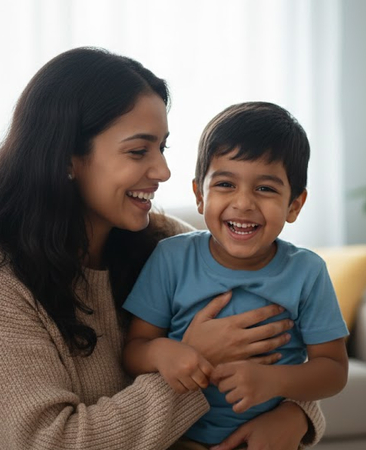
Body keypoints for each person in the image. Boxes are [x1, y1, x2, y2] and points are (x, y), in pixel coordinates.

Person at [0, 47, 325, 450]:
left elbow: (281, 344)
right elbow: (52, 442)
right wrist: (195, 363)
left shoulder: (167, 243)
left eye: (162, 148)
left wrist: (296, 414)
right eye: (138, 151)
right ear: (67, 158)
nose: (163, 171)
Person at [122, 102, 350, 449]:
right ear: (200, 195)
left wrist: (274, 381)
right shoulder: (170, 258)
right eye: (226, 184)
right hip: (178, 440)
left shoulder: (307, 272)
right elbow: (134, 350)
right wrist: (164, 353)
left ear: (295, 205)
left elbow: (333, 370)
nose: (243, 203)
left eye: (266, 189)